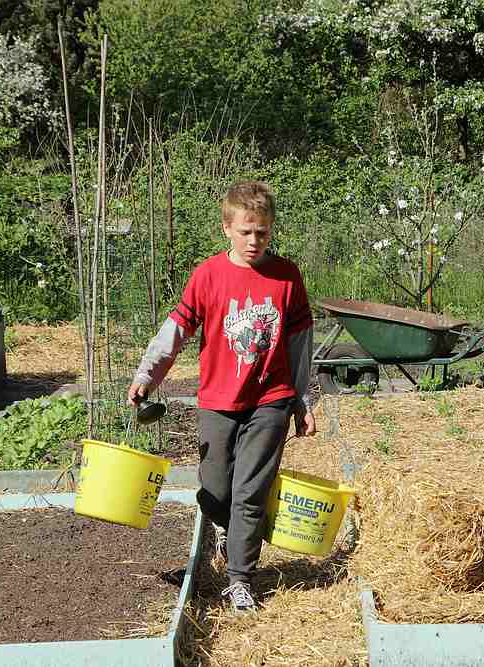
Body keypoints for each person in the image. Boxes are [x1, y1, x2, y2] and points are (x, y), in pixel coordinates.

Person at [127, 180, 316, 612]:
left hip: (271, 398)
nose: (254, 241)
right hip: (217, 399)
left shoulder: (287, 276)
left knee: (251, 491)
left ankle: (240, 578)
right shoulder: (208, 276)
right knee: (214, 490)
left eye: (263, 232)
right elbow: (176, 331)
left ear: (271, 230)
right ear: (227, 228)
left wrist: (302, 401)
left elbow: (300, 342)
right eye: (246, 231)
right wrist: (147, 375)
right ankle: (231, 537)